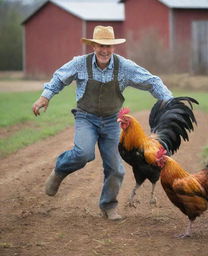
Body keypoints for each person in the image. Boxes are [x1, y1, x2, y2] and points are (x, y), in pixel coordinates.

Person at [32, 25, 173, 220]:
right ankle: (59, 170)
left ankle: (108, 206)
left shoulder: (124, 66)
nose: (104, 50)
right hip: (86, 117)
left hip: (112, 121)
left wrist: (170, 102)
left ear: (114, 47)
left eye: (108, 46)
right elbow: (59, 77)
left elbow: (153, 82)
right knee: (83, 153)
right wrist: (45, 97)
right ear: (93, 46)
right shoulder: (80, 63)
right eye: (100, 45)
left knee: (115, 168)